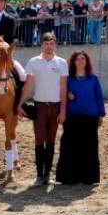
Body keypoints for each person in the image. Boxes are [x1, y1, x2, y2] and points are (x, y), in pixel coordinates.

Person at [18, 32, 69, 188]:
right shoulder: (34, 62)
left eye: (51, 43)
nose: (49, 46)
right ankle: (39, 174)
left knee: (51, 141)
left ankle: (47, 174)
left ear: (55, 45)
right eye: (46, 44)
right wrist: (19, 103)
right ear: (42, 45)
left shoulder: (61, 63)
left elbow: (63, 88)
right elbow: (28, 86)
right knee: (39, 140)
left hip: (55, 107)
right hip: (39, 107)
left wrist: (63, 110)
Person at [56, 51, 104, 185]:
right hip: (72, 117)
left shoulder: (93, 78)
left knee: (89, 147)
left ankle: (89, 178)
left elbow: (99, 96)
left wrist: (100, 114)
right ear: (73, 62)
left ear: (86, 61)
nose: (80, 61)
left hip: (90, 117)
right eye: (78, 59)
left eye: (83, 59)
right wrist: (68, 96)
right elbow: (62, 93)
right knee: (70, 146)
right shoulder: (68, 78)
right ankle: (69, 177)